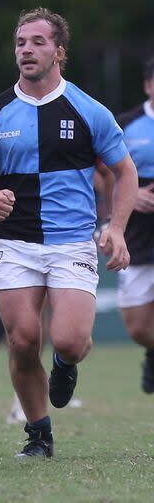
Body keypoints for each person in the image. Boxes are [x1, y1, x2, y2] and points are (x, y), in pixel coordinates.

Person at [0, 8, 138, 458]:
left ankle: (65, 363)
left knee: (72, 341)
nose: (26, 50)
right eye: (21, 42)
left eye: (37, 42)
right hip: (16, 243)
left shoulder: (88, 110)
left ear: (58, 52)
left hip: (72, 241)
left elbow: (125, 172)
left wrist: (116, 228)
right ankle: (39, 435)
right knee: (21, 340)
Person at [116, 56, 154, 394]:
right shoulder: (125, 124)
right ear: (147, 85)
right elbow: (105, 172)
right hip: (138, 233)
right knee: (138, 326)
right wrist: (134, 193)